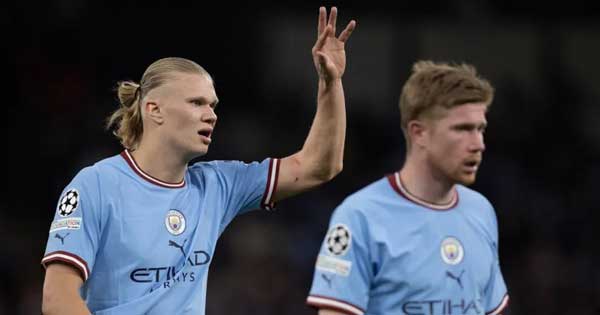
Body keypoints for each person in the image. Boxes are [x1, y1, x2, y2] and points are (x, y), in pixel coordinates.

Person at [41, 7, 356, 315]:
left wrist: (331, 83)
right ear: (154, 109)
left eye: (213, 105)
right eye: (197, 103)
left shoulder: (218, 184)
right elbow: (58, 299)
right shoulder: (96, 185)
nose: (212, 115)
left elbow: (319, 166)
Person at [306, 61, 509, 315]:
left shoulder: (481, 211)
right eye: (463, 129)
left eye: (480, 129)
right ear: (418, 132)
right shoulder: (360, 217)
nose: (478, 144)